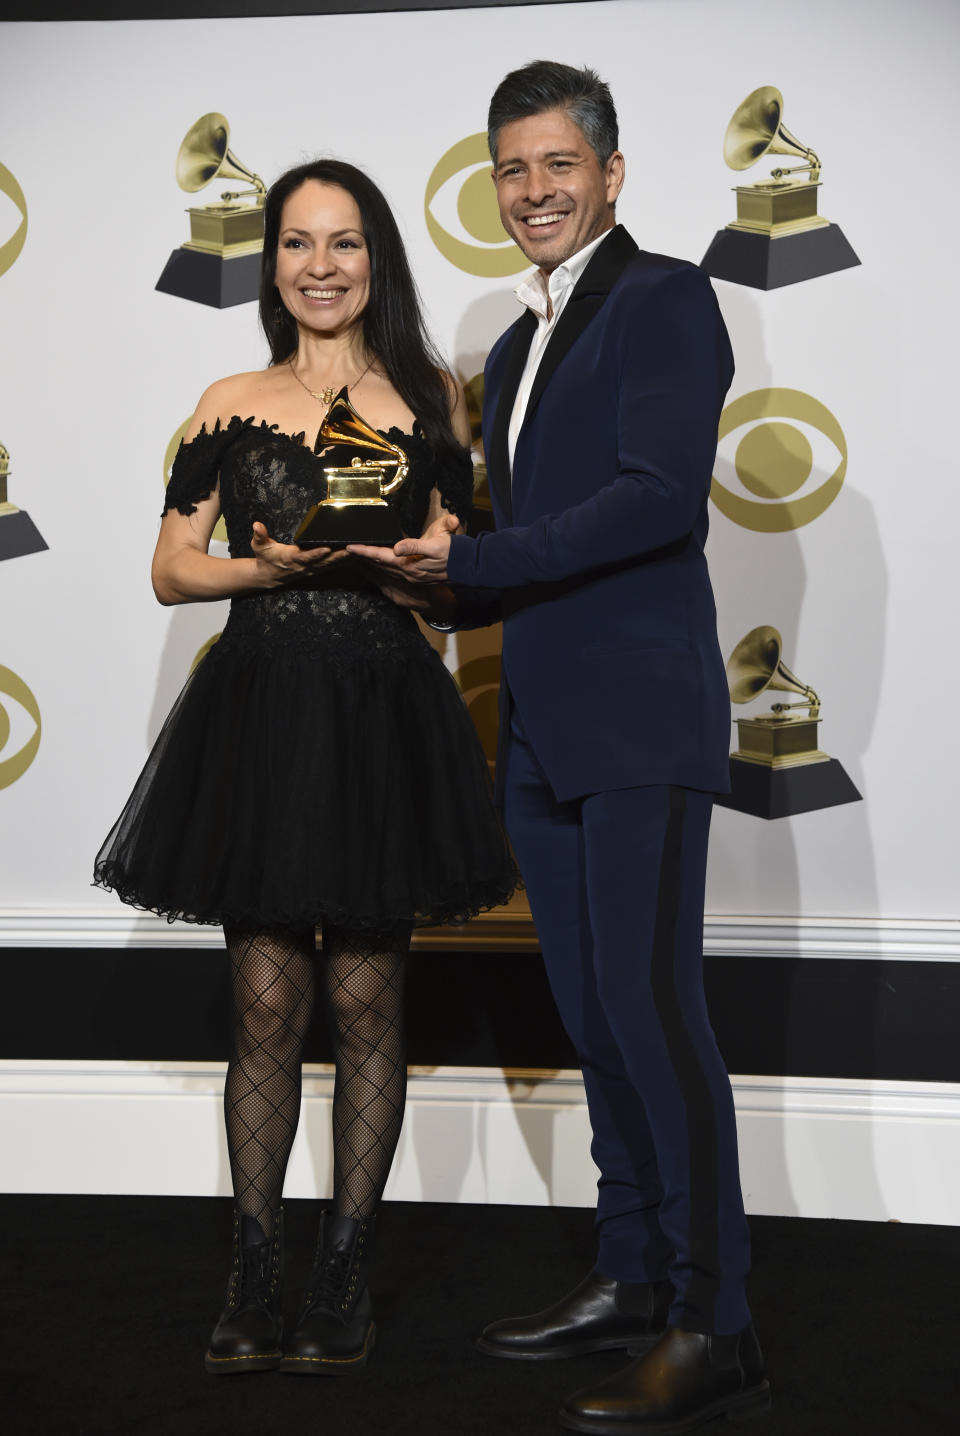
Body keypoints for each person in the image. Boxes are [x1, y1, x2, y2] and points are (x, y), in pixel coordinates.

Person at [350, 62, 771, 1433]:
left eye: (558, 166)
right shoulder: (520, 349)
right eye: (512, 170)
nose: (534, 192)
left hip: (642, 720)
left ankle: (720, 1320)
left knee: (656, 1016)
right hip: (537, 728)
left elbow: (656, 502)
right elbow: (512, 546)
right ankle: (631, 1271)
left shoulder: (666, 300)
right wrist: (432, 571)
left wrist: (478, 556)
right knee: (595, 1018)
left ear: (611, 173)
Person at [94, 158, 516, 1378]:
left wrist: (412, 564)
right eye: (295, 242)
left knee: (367, 1000)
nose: (319, 265)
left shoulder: (437, 402)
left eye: (342, 242)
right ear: (270, 260)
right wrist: (267, 569)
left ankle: (347, 1265)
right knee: (268, 1002)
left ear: (376, 257)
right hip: (264, 711)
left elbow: (454, 601)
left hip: (385, 714)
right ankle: (255, 1257)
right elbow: (175, 567)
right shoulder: (227, 397)